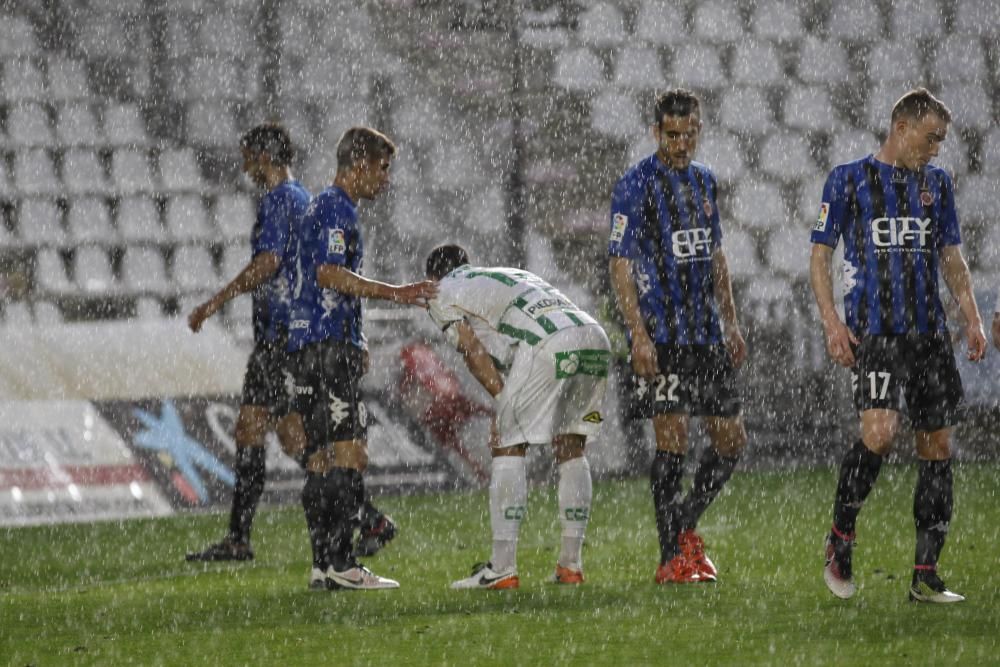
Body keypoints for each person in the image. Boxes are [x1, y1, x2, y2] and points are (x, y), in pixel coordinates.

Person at [184, 124, 398, 567]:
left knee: (308, 441)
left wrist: (216, 300)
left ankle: (351, 527)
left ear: (264, 156)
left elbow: (271, 263)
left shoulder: (285, 200)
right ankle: (251, 538)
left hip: (286, 336)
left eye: (248, 155)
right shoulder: (302, 200)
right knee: (271, 431)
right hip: (284, 335)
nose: (244, 165)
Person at [809, 88, 986, 603]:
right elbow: (820, 258)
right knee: (881, 433)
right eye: (930, 138)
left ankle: (925, 575)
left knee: (937, 446)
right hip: (877, 333)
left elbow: (951, 258)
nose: (935, 148)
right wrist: (831, 323)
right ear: (901, 127)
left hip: (929, 334)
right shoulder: (848, 179)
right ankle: (841, 536)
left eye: (942, 141)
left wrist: (971, 318)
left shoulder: (938, 185)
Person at [608, 88, 748, 585]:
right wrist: (638, 335)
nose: (682, 143)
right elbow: (620, 265)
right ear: (655, 132)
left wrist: (730, 322)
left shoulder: (705, 182)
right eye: (672, 135)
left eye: (690, 134)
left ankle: (684, 526)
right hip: (662, 336)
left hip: (706, 335)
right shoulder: (635, 185)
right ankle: (672, 558)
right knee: (672, 441)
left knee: (731, 440)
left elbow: (716, 257)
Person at [287, 126, 437, 591]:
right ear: (359, 164)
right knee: (349, 454)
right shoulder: (337, 208)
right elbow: (330, 274)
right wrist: (396, 293)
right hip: (327, 348)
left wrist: (358, 336)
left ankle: (321, 568)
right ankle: (344, 564)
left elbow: (316, 283)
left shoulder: (318, 204)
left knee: (320, 459)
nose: (386, 179)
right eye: (383, 167)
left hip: (310, 345)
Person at [424, 244, 609, 589]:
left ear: (433, 277)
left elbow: (472, 349)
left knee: (506, 442)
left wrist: (503, 401)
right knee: (571, 445)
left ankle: (502, 568)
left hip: (549, 343)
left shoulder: (440, 291)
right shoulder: (505, 274)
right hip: (594, 338)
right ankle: (571, 564)